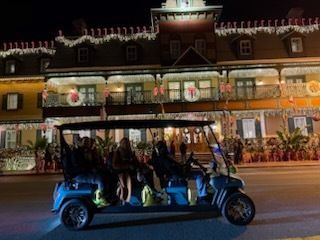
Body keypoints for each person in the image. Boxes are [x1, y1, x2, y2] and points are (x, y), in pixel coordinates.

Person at [72, 137, 109, 207]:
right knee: (99, 180)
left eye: (88, 142)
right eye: (85, 142)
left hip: (87, 172)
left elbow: (95, 162)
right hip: (79, 174)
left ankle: (107, 195)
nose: (87, 143)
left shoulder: (90, 151)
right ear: (81, 143)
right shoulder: (77, 152)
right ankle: (99, 200)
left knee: (107, 175)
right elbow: (79, 165)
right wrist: (91, 168)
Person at [112, 137, 138, 204]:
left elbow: (135, 162)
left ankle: (126, 198)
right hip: (120, 171)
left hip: (129, 170)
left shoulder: (130, 152)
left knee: (130, 177)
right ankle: (124, 198)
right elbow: (115, 165)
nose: (126, 145)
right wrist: (127, 166)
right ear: (121, 143)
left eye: (127, 143)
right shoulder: (117, 152)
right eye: (124, 143)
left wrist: (134, 162)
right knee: (126, 178)